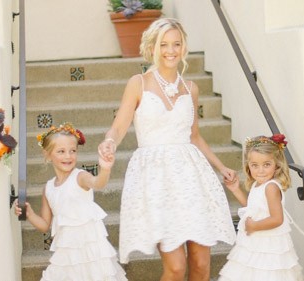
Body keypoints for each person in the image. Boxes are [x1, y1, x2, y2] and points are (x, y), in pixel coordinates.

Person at [98, 18, 236, 281]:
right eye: (164, 44)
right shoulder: (137, 83)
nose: (171, 50)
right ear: (153, 47)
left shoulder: (190, 88)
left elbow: (194, 136)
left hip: (192, 178)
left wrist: (221, 167)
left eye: (176, 44)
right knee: (175, 268)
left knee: (201, 265)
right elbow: (118, 126)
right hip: (157, 180)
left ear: (184, 47)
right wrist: (109, 142)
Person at [14, 122, 127, 281]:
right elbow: (45, 225)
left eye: (72, 151)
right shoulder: (48, 188)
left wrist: (105, 169)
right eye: (61, 151)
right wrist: (30, 214)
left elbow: (98, 183)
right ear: (47, 154)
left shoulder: (80, 177)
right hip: (66, 254)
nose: (68, 156)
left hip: (91, 253)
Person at [218, 134, 304, 281]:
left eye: (266, 164)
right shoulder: (257, 185)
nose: (260, 170)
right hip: (256, 243)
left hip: (269, 245)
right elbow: (251, 207)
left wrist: (254, 226)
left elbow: (277, 219)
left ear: (276, 164)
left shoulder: (271, 187)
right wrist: (235, 189)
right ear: (248, 166)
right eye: (255, 165)